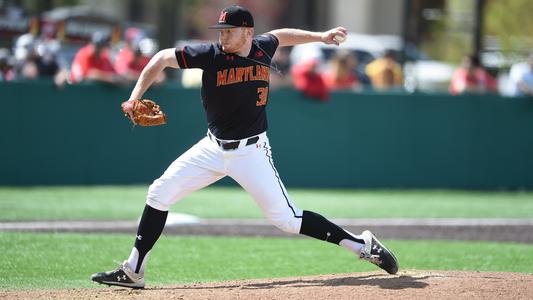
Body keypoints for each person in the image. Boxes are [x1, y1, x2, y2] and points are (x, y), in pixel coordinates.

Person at [91, 5, 398, 289]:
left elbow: (282, 36)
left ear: (248, 32)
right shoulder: (209, 55)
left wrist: (321, 36)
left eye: (229, 30)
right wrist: (134, 96)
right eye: (221, 30)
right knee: (159, 192)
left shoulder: (263, 46)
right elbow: (161, 58)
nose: (223, 35)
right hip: (212, 149)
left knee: (287, 220)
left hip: (251, 152)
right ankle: (134, 270)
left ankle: (362, 245)